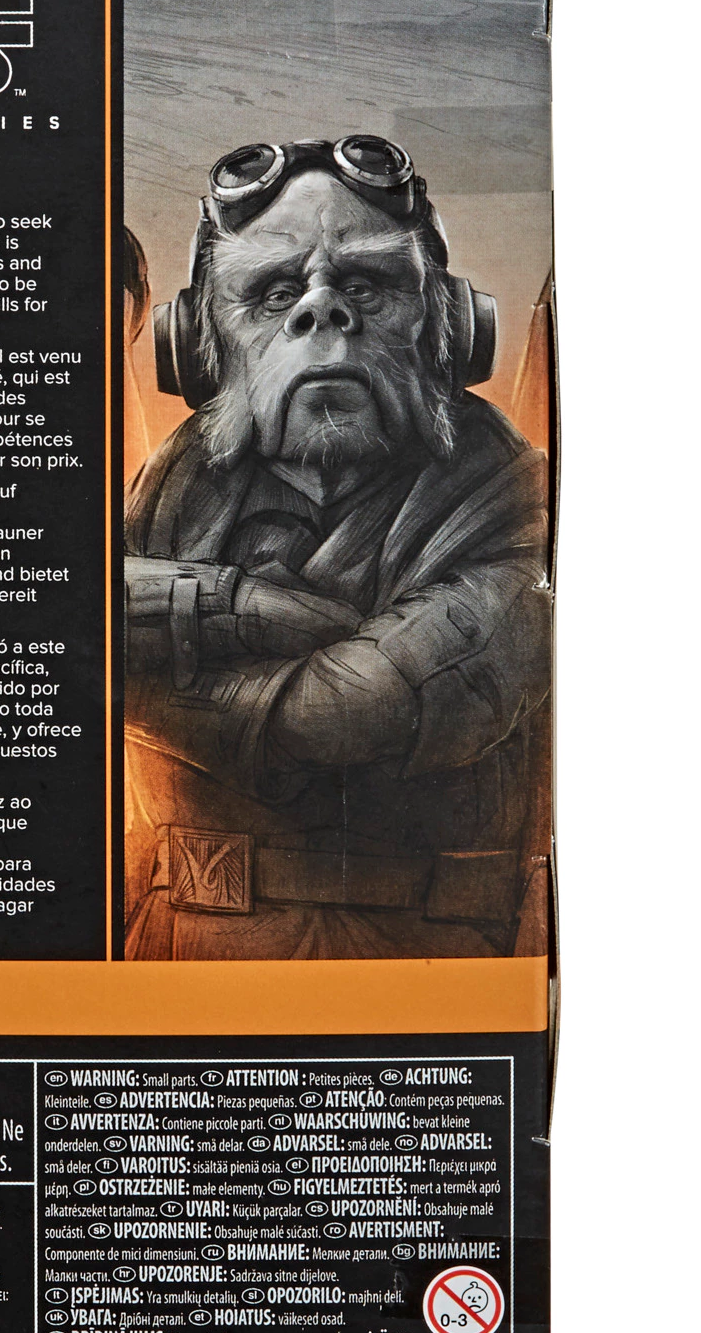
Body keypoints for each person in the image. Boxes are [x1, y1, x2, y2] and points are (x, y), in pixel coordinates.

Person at [123, 136, 550, 959]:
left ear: (451, 324)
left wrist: (130, 662)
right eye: (274, 291)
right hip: (180, 954)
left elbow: (343, 715)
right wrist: (239, 604)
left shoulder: (510, 496)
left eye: (365, 285)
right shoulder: (174, 483)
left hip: (420, 971)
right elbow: (47, 624)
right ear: (198, 341)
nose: (321, 313)